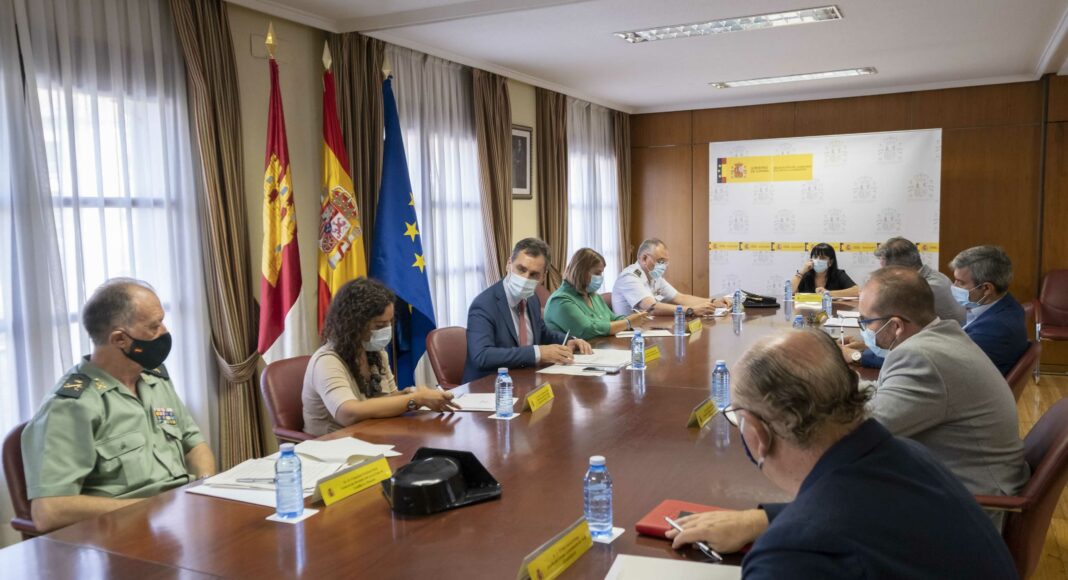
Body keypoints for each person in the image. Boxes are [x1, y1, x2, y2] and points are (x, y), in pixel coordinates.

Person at [672, 267, 1030, 551]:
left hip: (964, 510)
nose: (863, 329)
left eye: (866, 322)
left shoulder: (922, 360)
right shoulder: (936, 340)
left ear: (895, 325)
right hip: (947, 483)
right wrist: (828, 377)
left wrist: (762, 519)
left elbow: (851, 435)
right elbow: (881, 397)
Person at [666, 329, 1018, 579]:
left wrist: (783, 532)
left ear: (756, 433)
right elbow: (870, 513)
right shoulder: (907, 456)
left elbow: (832, 529)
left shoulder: (795, 555)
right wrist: (761, 520)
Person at [22, 279, 216, 533]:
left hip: (179, 521)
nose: (164, 331)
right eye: (154, 326)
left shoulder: (154, 378)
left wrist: (204, 487)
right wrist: (152, 508)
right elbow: (50, 511)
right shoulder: (72, 406)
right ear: (120, 339)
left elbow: (194, 444)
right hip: (124, 534)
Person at [303, 278, 458, 437]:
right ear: (354, 324)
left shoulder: (374, 351)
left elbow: (388, 398)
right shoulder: (327, 360)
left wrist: (415, 395)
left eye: (389, 323)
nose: (386, 330)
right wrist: (415, 400)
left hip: (370, 436)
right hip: (333, 444)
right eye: (379, 325)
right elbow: (348, 413)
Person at [463, 238, 593, 384]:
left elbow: (542, 332)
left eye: (534, 274)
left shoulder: (531, 298)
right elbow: (482, 356)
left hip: (524, 380)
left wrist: (569, 340)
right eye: (521, 269)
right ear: (509, 264)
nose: (525, 279)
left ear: (543, 277)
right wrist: (538, 353)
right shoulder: (484, 304)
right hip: (488, 386)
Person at [842, 237, 966, 367]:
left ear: (899, 271)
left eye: (885, 272)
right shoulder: (933, 277)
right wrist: (868, 346)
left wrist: (856, 355)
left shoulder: (922, 289)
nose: (883, 277)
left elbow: (907, 356)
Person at [949, 245, 1029, 376]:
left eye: (960, 282)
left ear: (986, 288)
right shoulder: (1007, 303)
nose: (954, 286)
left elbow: (951, 368)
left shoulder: (995, 330)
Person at [543, 248, 646, 340]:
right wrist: (627, 323)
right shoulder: (560, 300)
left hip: (602, 349)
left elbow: (613, 318)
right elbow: (587, 330)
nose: (600, 277)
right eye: (597, 273)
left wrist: (637, 320)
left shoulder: (593, 296)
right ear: (581, 272)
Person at [611, 238, 729, 317]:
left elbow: (679, 298)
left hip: (649, 328)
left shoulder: (654, 277)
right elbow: (652, 308)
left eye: (665, 262)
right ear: (644, 258)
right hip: (631, 336)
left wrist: (713, 302)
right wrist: (691, 310)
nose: (663, 266)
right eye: (660, 261)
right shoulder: (629, 277)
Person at [789, 242, 858, 298]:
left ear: (830, 262)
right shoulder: (805, 275)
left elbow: (857, 291)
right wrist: (802, 271)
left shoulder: (838, 274)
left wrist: (828, 293)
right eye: (815, 257)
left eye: (822, 258)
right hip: (808, 310)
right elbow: (789, 292)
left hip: (832, 309)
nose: (818, 260)